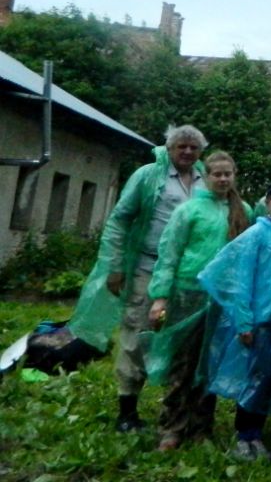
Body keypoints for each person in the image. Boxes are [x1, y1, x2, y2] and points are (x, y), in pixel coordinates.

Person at [68, 124, 207, 433]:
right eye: (181, 146)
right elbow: (119, 220)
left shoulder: (204, 180)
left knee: (180, 340)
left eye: (193, 147)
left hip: (186, 275)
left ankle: (176, 411)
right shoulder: (148, 176)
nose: (187, 152)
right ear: (169, 148)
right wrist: (115, 265)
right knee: (137, 335)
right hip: (147, 267)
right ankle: (127, 411)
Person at [145, 150, 251, 451]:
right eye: (216, 174)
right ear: (205, 176)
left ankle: (201, 427)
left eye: (227, 174)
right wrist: (160, 297)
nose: (222, 179)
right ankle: (172, 427)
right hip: (186, 295)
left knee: (211, 363)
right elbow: (169, 254)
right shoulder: (188, 211)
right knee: (183, 363)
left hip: (221, 301)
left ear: (234, 176)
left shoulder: (242, 211)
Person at [198, 178, 271, 462]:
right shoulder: (256, 234)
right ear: (268, 201)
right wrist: (244, 321)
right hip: (260, 320)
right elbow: (241, 279)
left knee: (270, 378)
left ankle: (256, 434)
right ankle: (243, 435)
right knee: (253, 377)